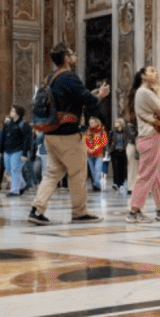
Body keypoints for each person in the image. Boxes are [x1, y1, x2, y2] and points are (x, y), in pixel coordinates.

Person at [28, 43, 110, 226]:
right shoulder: (70, 77)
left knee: (52, 173)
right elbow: (88, 102)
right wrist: (101, 94)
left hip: (50, 132)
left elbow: (73, 97)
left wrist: (92, 93)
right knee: (78, 172)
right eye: (72, 54)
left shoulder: (50, 77)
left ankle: (36, 209)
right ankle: (80, 212)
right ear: (66, 58)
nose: (75, 57)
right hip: (68, 134)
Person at [127, 67, 160, 223]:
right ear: (143, 76)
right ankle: (134, 211)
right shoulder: (144, 92)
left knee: (155, 175)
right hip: (150, 136)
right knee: (146, 174)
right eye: (151, 71)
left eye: (156, 71)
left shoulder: (145, 93)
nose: (155, 73)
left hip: (151, 136)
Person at [0, 105, 33, 196]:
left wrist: (25, 153)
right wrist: (0, 150)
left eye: (13, 111)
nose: (11, 112)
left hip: (17, 151)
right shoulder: (8, 123)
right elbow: (3, 137)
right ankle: (22, 185)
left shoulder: (24, 125)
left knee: (15, 170)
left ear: (18, 113)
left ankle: (14, 191)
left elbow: (28, 139)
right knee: (8, 169)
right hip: (7, 151)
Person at [84, 116, 107, 193]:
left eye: (92, 122)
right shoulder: (87, 132)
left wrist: (93, 150)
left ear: (97, 122)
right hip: (89, 155)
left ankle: (97, 184)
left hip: (98, 154)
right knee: (93, 172)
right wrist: (88, 149)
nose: (91, 124)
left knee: (98, 170)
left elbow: (103, 142)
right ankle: (96, 185)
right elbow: (84, 142)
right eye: (90, 123)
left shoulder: (102, 132)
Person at [108, 118, 128, 192]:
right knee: (115, 168)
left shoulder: (125, 132)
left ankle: (121, 184)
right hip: (115, 152)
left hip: (123, 152)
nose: (115, 123)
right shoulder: (112, 132)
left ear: (121, 123)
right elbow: (109, 142)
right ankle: (115, 183)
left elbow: (127, 141)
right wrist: (110, 150)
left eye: (117, 122)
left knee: (122, 169)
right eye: (115, 122)